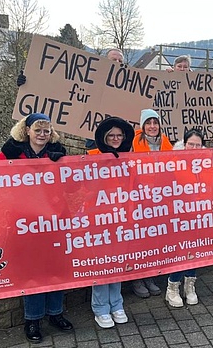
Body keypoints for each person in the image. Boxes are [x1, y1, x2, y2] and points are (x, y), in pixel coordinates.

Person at [0, 113, 73, 343]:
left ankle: (55, 313)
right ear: (27, 130)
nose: (42, 135)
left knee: (56, 267)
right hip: (25, 220)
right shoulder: (11, 153)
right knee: (33, 270)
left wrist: (64, 165)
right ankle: (33, 319)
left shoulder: (57, 153)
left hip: (54, 219)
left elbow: (74, 182)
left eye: (46, 131)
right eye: (37, 130)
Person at [89, 116, 134, 328]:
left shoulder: (130, 157)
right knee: (101, 264)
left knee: (117, 263)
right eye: (111, 135)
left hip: (123, 219)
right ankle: (100, 307)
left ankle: (116, 303)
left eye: (119, 135)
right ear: (105, 137)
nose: (115, 139)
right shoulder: (92, 157)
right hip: (100, 220)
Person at [130, 109, 173, 298]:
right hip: (140, 197)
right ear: (142, 125)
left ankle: (150, 275)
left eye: (155, 123)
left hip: (160, 197)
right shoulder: (133, 142)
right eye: (148, 123)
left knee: (153, 238)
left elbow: (174, 165)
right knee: (139, 238)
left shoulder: (165, 141)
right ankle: (137, 278)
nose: (152, 127)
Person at [165, 129, 206, 307]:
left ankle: (190, 286)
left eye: (198, 145)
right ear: (184, 144)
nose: (194, 148)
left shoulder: (208, 163)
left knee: (195, 250)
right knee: (180, 251)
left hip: (199, 214)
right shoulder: (173, 163)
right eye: (191, 144)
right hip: (180, 215)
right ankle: (172, 287)